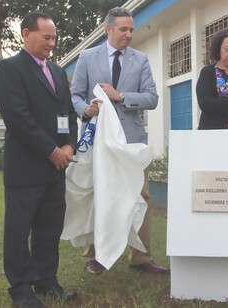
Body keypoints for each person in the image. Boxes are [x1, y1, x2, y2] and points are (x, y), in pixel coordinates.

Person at [70, 7, 169, 275]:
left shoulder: (140, 60)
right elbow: (74, 95)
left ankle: (141, 258)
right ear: (109, 30)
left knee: (142, 195)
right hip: (97, 141)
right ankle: (94, 256)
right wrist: (86, 109)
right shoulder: (88, 57)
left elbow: (152, 98)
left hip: (131, 141)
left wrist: (121, 96)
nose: (129, 34)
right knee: (96, 192)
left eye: (131, 29)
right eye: (124, 29)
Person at [0, 11, 78, 308]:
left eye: (54, 38)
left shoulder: (57, 72)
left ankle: (46, 280)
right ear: (26, 34)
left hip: (56, 167)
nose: (52, 43)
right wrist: (50, 150)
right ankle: (20, 289)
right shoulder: (10, 68)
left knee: (49, 227)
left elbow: (68, 112)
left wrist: (68, 145)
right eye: (46, 37)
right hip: (26, 167)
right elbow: (18, 118)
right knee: (19, 231)